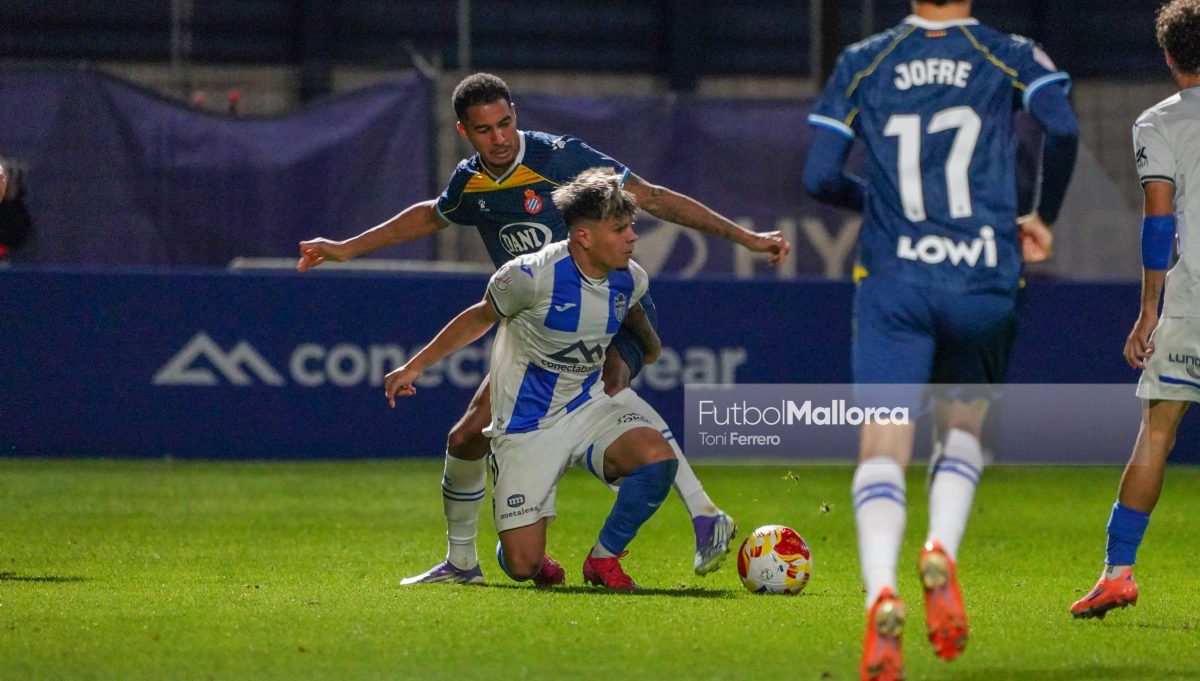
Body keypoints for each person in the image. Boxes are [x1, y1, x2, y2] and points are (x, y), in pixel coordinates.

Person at [299, 72, 791, 583]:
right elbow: (431, 216)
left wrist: (747, 238)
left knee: (611, 389)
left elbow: (652, 197)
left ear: (515, 113)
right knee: (467, 437)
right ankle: (471, 557)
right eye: (484, 129)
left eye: (505, 123)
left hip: (610, 315)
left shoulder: (561, 158)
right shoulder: (472, 184)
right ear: (464, 131)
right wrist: (346, 249)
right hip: (537, 331)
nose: (499, 138)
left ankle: (658, 528)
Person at [802, 2, 1078, 679]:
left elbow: (818, 176)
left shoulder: (862, 60)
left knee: (883, 442)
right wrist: (1042, 215)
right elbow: (1064, 127)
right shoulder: (1009, 52)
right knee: (962, 428)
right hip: (982, 274)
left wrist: (882, 203)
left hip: (896, 278)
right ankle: (940, 550)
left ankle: (881, 591)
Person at [384, 167, 675, 590]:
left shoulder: (631, 277)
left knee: (658, 458)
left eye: (631, 227)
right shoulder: (529, 275)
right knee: (522, 565)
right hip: (525, 424)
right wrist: (416, 366)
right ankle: (519, 552)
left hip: (586, 406)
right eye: (620, 229)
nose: (632, 238)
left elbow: (636, 324)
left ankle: (603, 558)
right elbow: (479, 317)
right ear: (584, 237)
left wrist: (636, 355)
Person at [1069, 0, 1200, 621]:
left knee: (1157, 432)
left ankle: (1117, 575)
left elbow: (1159, 223)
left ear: (1169, 56)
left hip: (1192, 300)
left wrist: (1149, 308)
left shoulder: (1158, 122)